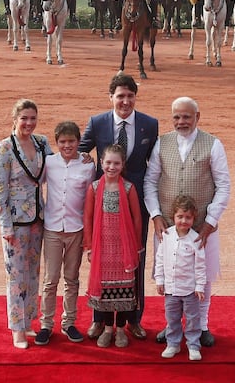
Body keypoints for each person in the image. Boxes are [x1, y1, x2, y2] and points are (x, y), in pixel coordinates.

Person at [144, 96, 231, 348]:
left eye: (186, 117)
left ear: (197, 117)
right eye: (177, 117)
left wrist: (211, 221)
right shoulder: (162, 144)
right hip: (168, 228)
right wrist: (156, 215)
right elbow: (150, 182)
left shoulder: (213, 145)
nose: (181, 122)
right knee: (171, 274)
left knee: (201, 277)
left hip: (202, 226)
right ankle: (173, 326)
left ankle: (201, 325)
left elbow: (224, 186)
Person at [79, 73, 159, 342]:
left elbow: (155, 164)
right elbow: (80, 151)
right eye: (120, 96)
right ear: (111, 96)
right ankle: (99, 321)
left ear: (135, 97)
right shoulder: (97, 122)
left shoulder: (150, 124)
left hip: (135, 206)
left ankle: (133, 320)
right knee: (102, 262)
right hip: (103, 206)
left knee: (133, 262)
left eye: (130, 96)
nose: (125, 101)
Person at [0, 99, 53, 349]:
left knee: (33, 272)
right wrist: (5, 226)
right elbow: (0, 191)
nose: (29, 123)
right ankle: (17, 328)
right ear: (14, 119)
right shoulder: (4, 149)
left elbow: (56, 169)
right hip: (15, 223)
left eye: (33, 118)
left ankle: (29, 321)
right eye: (24, 118)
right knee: (16, 275)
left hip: (38, 219)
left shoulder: (42, 142)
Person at [35, 121, 96, 346]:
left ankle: (69, 322)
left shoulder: (88, 166)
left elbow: (90, 198)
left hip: (76, 229)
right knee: (50, 280)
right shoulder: (49, 163)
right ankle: (46, 325)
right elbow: (35, 183)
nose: (67, 145)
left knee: (72, 280)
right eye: (62, 142)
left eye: (71, 141)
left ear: (79, 143)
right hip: (52, 228)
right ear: (57, 143)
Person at [83, 144, 143, 348]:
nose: (111, 167)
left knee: (125, 290)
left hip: (124, 249)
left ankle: (120, 330)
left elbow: (137, 219)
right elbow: (88, 217)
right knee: (106, 292)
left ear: (123, 164)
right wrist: (89, 246)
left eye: (116, 163)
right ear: (101, 163)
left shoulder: (129, 188)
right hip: (103, 249)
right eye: (108, 162)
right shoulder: (93, 188)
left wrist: (135, 248)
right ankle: (107, 329)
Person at [155, 194, 206, 361]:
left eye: (188, 217)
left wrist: (199, 286)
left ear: (193, 218)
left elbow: (200, 265)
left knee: (192, 319)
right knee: (172, 318)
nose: (184, 221)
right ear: (173, 216)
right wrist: (160, 280)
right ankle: (173, 344)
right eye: (180, 217)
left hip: (189, 290)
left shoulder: (196, 240)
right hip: (171, 289)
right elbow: (160, 259)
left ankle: (193, 345)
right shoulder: (167, 236)